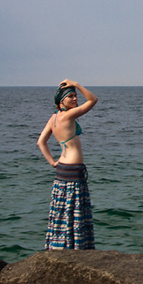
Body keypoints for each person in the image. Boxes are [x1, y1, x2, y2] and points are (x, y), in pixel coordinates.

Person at [37, 79, 98, 250]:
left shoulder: (54, 118)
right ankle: (76, 247)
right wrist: (76, 83)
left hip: (62, 169)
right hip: (73, 170)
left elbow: (41, 142)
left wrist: (52, 162)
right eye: (70, 96)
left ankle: (59, 245)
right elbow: (93, 100)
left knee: (62, 210)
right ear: (61, 100)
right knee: (75, 210)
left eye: (75, 95)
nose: (75, 99)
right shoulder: (68, 115)